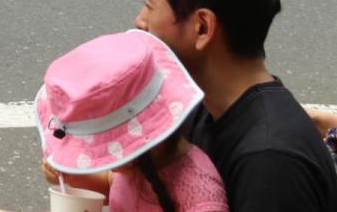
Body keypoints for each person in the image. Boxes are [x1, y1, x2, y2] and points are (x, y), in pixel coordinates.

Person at [134, 0, 337, 211]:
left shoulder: (270, 161)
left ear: (203, 27)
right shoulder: (207, 108)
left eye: (150, 6)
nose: (140, 21)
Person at [36, 29, 228, 212]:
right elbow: (115, 185)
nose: (98, 160)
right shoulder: (138, 167)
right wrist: (73, 177)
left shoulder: (201, 199)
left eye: (97, 151)